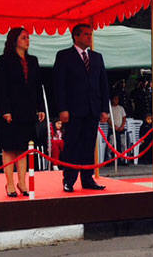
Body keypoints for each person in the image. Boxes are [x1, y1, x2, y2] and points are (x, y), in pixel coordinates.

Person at [54, 23, 109, 191]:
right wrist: (62, 108)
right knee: (72, 145)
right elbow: (59, 84)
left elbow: (103, 84)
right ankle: (69, 179)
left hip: (92, 109)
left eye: (91, 34)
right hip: (73, 110)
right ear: (76, 37)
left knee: (88, 145)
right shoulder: (64, 56)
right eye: (86, 34)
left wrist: (104, 109)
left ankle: (87, 178)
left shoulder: (97, 57)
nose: (89, 37)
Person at [0, 27, 46, 197]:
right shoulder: (5, 60)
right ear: (14, 40)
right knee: (10, 148)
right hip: (11, 110)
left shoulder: (33, 60)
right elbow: (1, 87)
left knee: (24, 147)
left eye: (28, 38)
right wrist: (5, 110)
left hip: (28, 109)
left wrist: (40, 108)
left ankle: (22, 181)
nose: (27, 40)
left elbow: (38, 86)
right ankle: (9, 183)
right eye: (24, 37)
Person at [107, 94, 128, 165]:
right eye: (115, 99)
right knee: (111, 143)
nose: (116, 101)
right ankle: (109, 158)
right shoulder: (110, 108)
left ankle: (122, 158)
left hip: (121, 128)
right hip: (112, 128)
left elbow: (124, 117)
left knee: (123, 143)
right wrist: (113, 126)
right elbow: (108, 119)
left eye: (117, 99)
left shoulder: (121, 108)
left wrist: (122, 126)